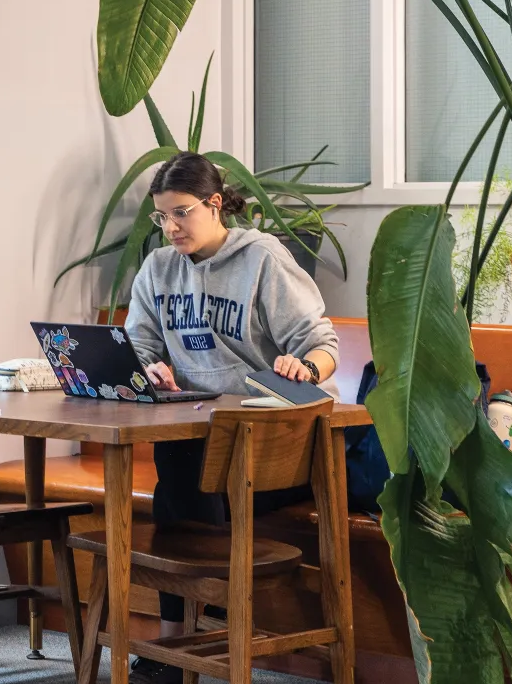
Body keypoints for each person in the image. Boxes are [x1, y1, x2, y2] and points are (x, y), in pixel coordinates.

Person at [122, 151, 339, 684]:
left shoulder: (262, 259)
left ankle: (190, 640)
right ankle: (199, 637)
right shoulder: (158, 269)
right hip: (201, 439)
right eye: (161, 217)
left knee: (182, 474)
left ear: (215, 204)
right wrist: (150, 369)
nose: (170, 227)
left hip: (275, 445)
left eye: (181, 213)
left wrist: (304, 367)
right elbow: (138, 343)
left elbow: (323, 344)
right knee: (180, 466)